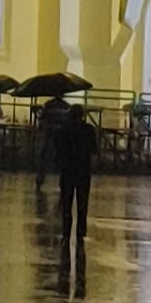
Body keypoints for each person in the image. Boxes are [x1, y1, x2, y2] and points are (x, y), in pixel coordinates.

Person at [56, 104, 97, 250]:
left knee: (66, 204)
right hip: (83, 171)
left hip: (67, 170)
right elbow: (93, 151)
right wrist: (92, 167)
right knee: (82, 204)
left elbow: (59, 151)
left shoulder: (64, 130)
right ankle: (80, 232)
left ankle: (66, 231)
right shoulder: (89, 130)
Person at [35, 93, 71, 190]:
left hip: (49, 135)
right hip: (61, 136)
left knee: (45, 158)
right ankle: (63, 181)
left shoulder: (48, 104)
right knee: (62, 159)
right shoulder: (67, 106)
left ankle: (40, 179)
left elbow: (41, 118)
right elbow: (68, 121)